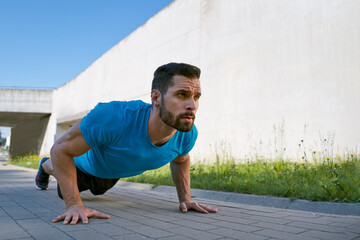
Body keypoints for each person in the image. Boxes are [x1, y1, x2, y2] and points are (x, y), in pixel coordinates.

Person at [34, 62, 218, 225]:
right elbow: (60, 149)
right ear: (155, 98)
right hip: (81, 166)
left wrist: (185, 199)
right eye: (181, 94)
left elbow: (181, 160)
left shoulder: (187, 133)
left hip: (113, 170)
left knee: (99, 191)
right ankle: (45, 166)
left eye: (196, 97)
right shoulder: (114, 116)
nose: (192, 105)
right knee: (60, 179)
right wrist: (74, 204)